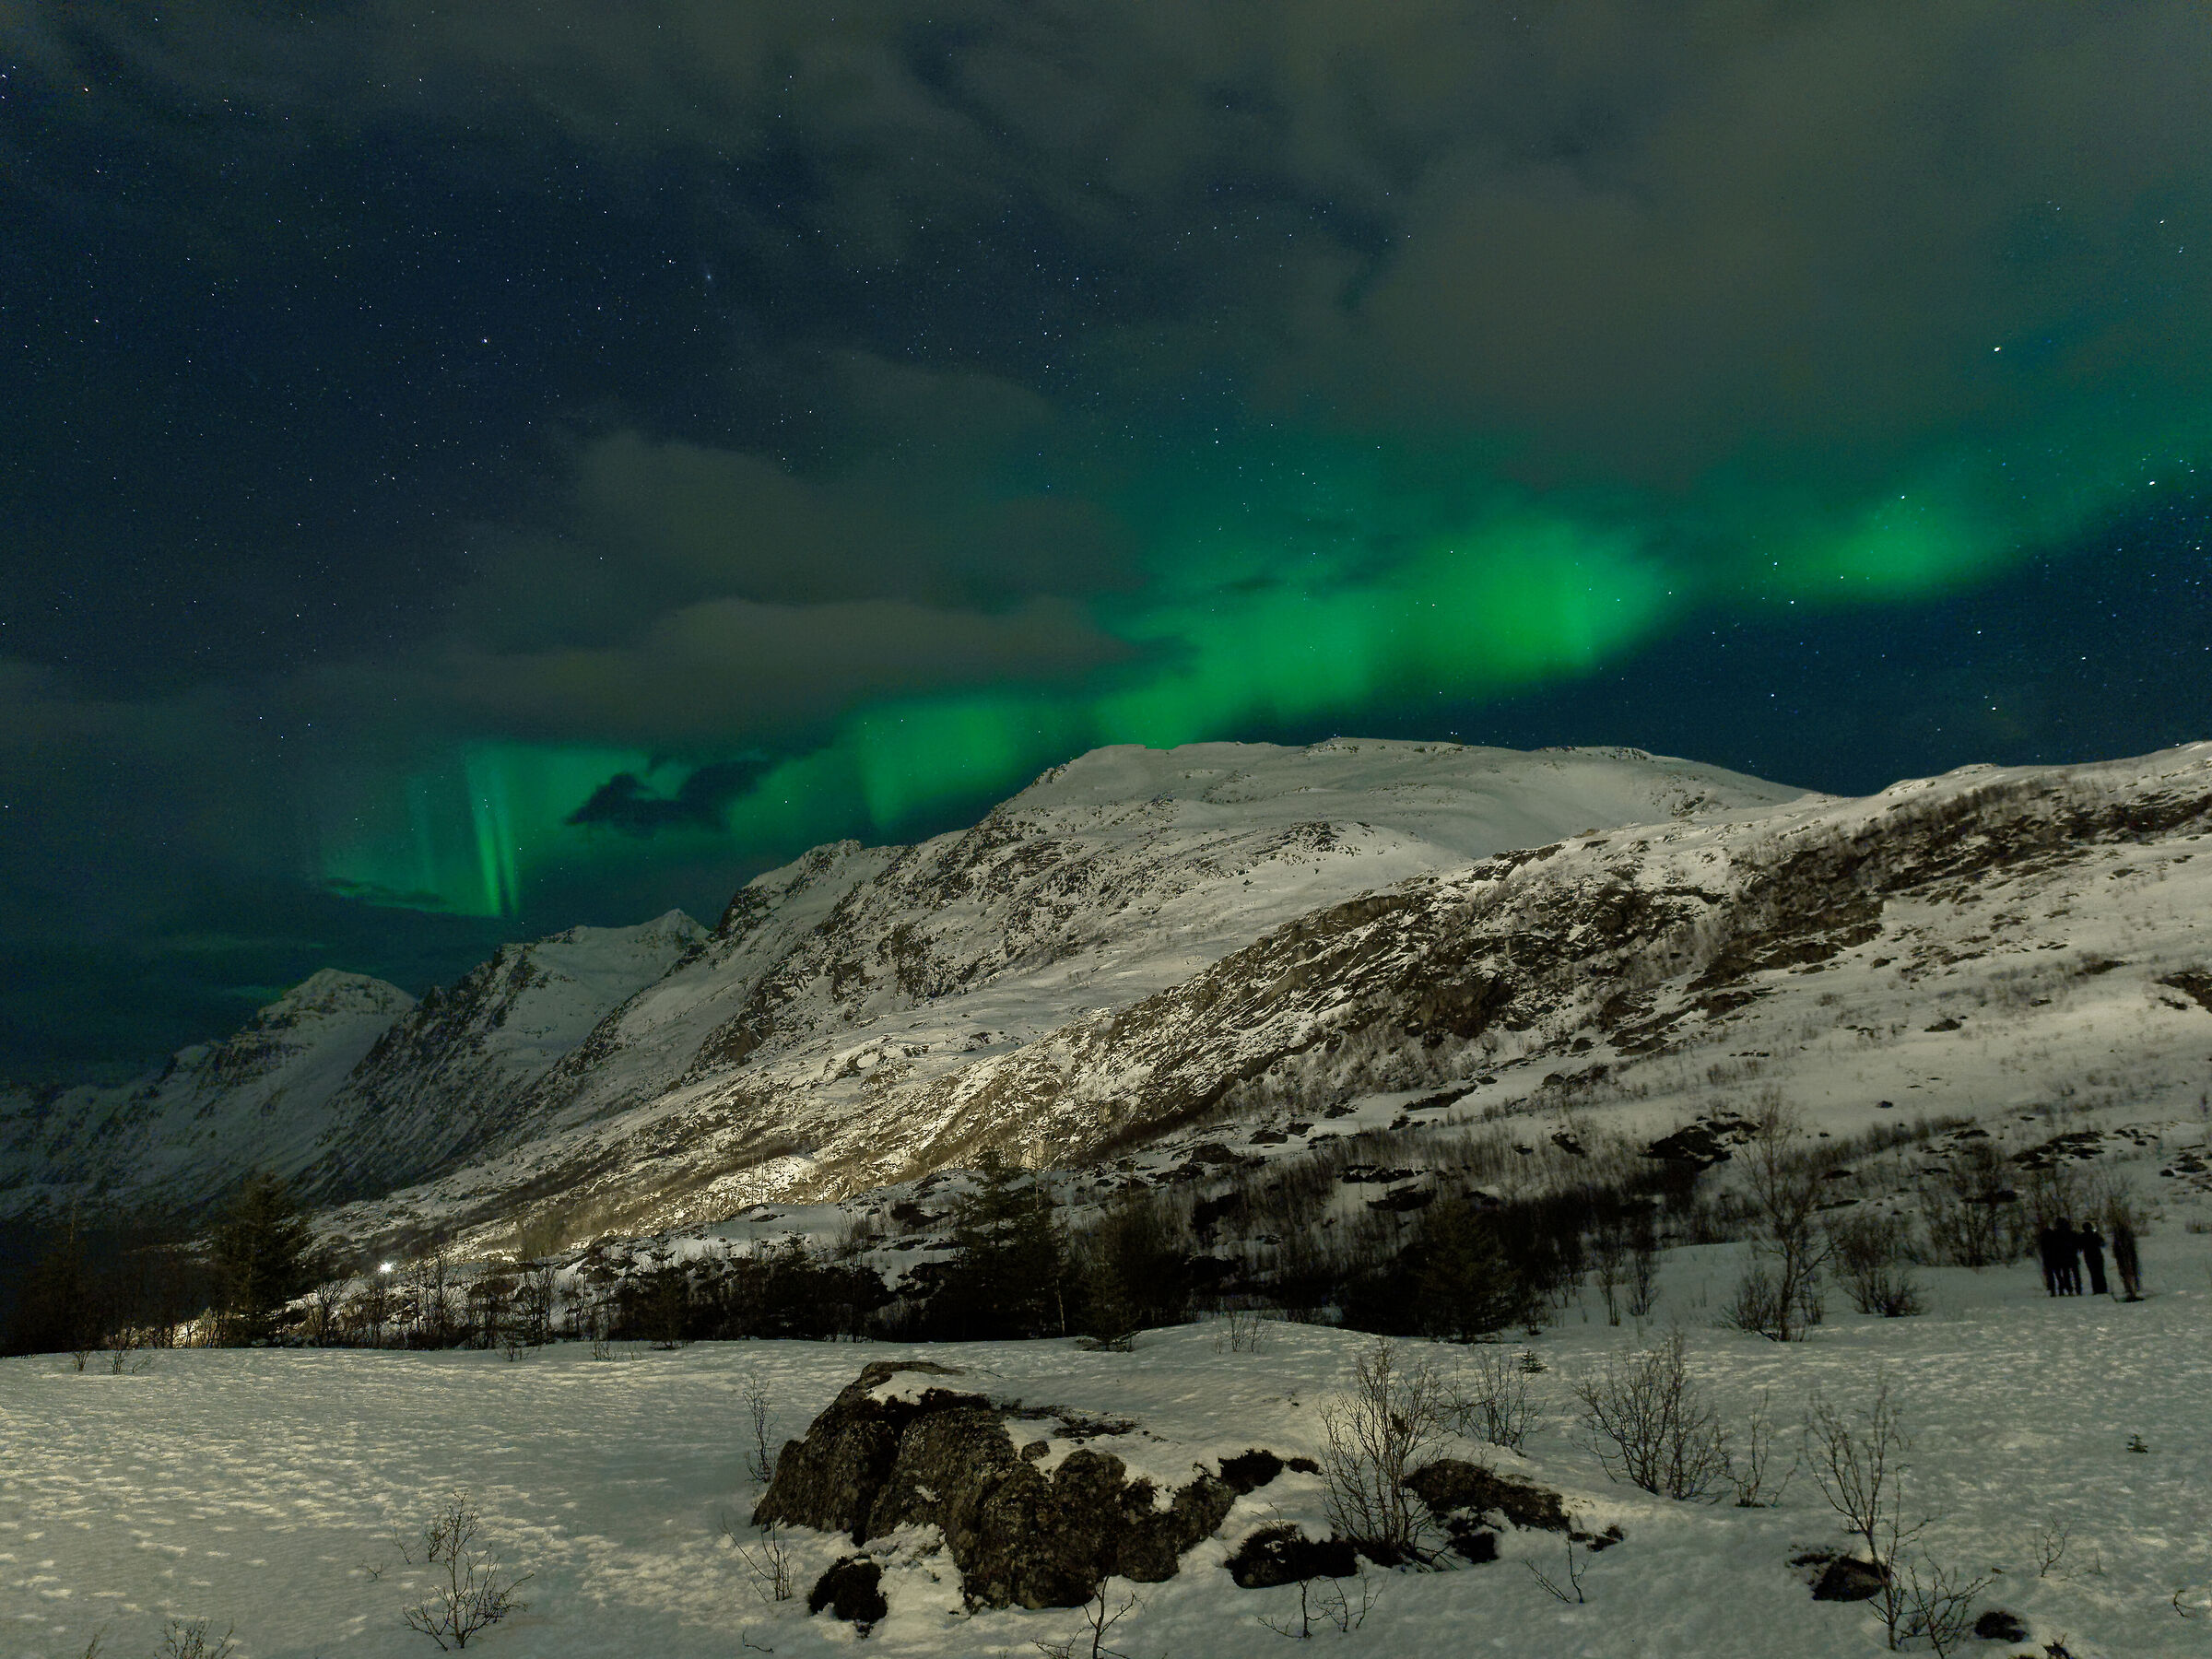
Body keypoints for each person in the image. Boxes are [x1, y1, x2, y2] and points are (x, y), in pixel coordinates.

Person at [2112, 1218, 2143, 1301]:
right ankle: (2133, 1291)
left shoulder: (2118, 1238)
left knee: (2126, 1275)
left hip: (2124, 1259)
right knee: (2131, 1274)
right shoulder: (2128, 1236)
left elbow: (2116, 1249)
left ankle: (2131, 1291)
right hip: (2129, 1258)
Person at [2053, 1218, 2083, 1295]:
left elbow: (2054, 1246)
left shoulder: (2056, 1234)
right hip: (2073, 1256)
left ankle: (2069, 1289)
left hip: (2062, 1257)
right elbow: (2079, 1244)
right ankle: (2078, 1289)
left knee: (2066, 1274)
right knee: (2076, 1274)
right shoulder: (2072, 1233)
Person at [2077, 1223, 2109, 1296]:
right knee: (2100, 1273)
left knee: (2093, 1274)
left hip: (2088, 1257)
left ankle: (2096, 1289)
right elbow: (2103, 1243)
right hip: (2098, 1255)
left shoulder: (2082, 1236)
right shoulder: (2095, 1235)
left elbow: (2079, 1247)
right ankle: (2103, 1289)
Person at [2036, 1222, 2062, 1296]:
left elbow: (2042, 1249)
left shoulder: (2043, 1240)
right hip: (2056, 1259)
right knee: (2058, 1275)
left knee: (2050, 1276)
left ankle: (2052, 1291)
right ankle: (2061, 1289)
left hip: (2047, 1259)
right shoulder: (2055, 1238)